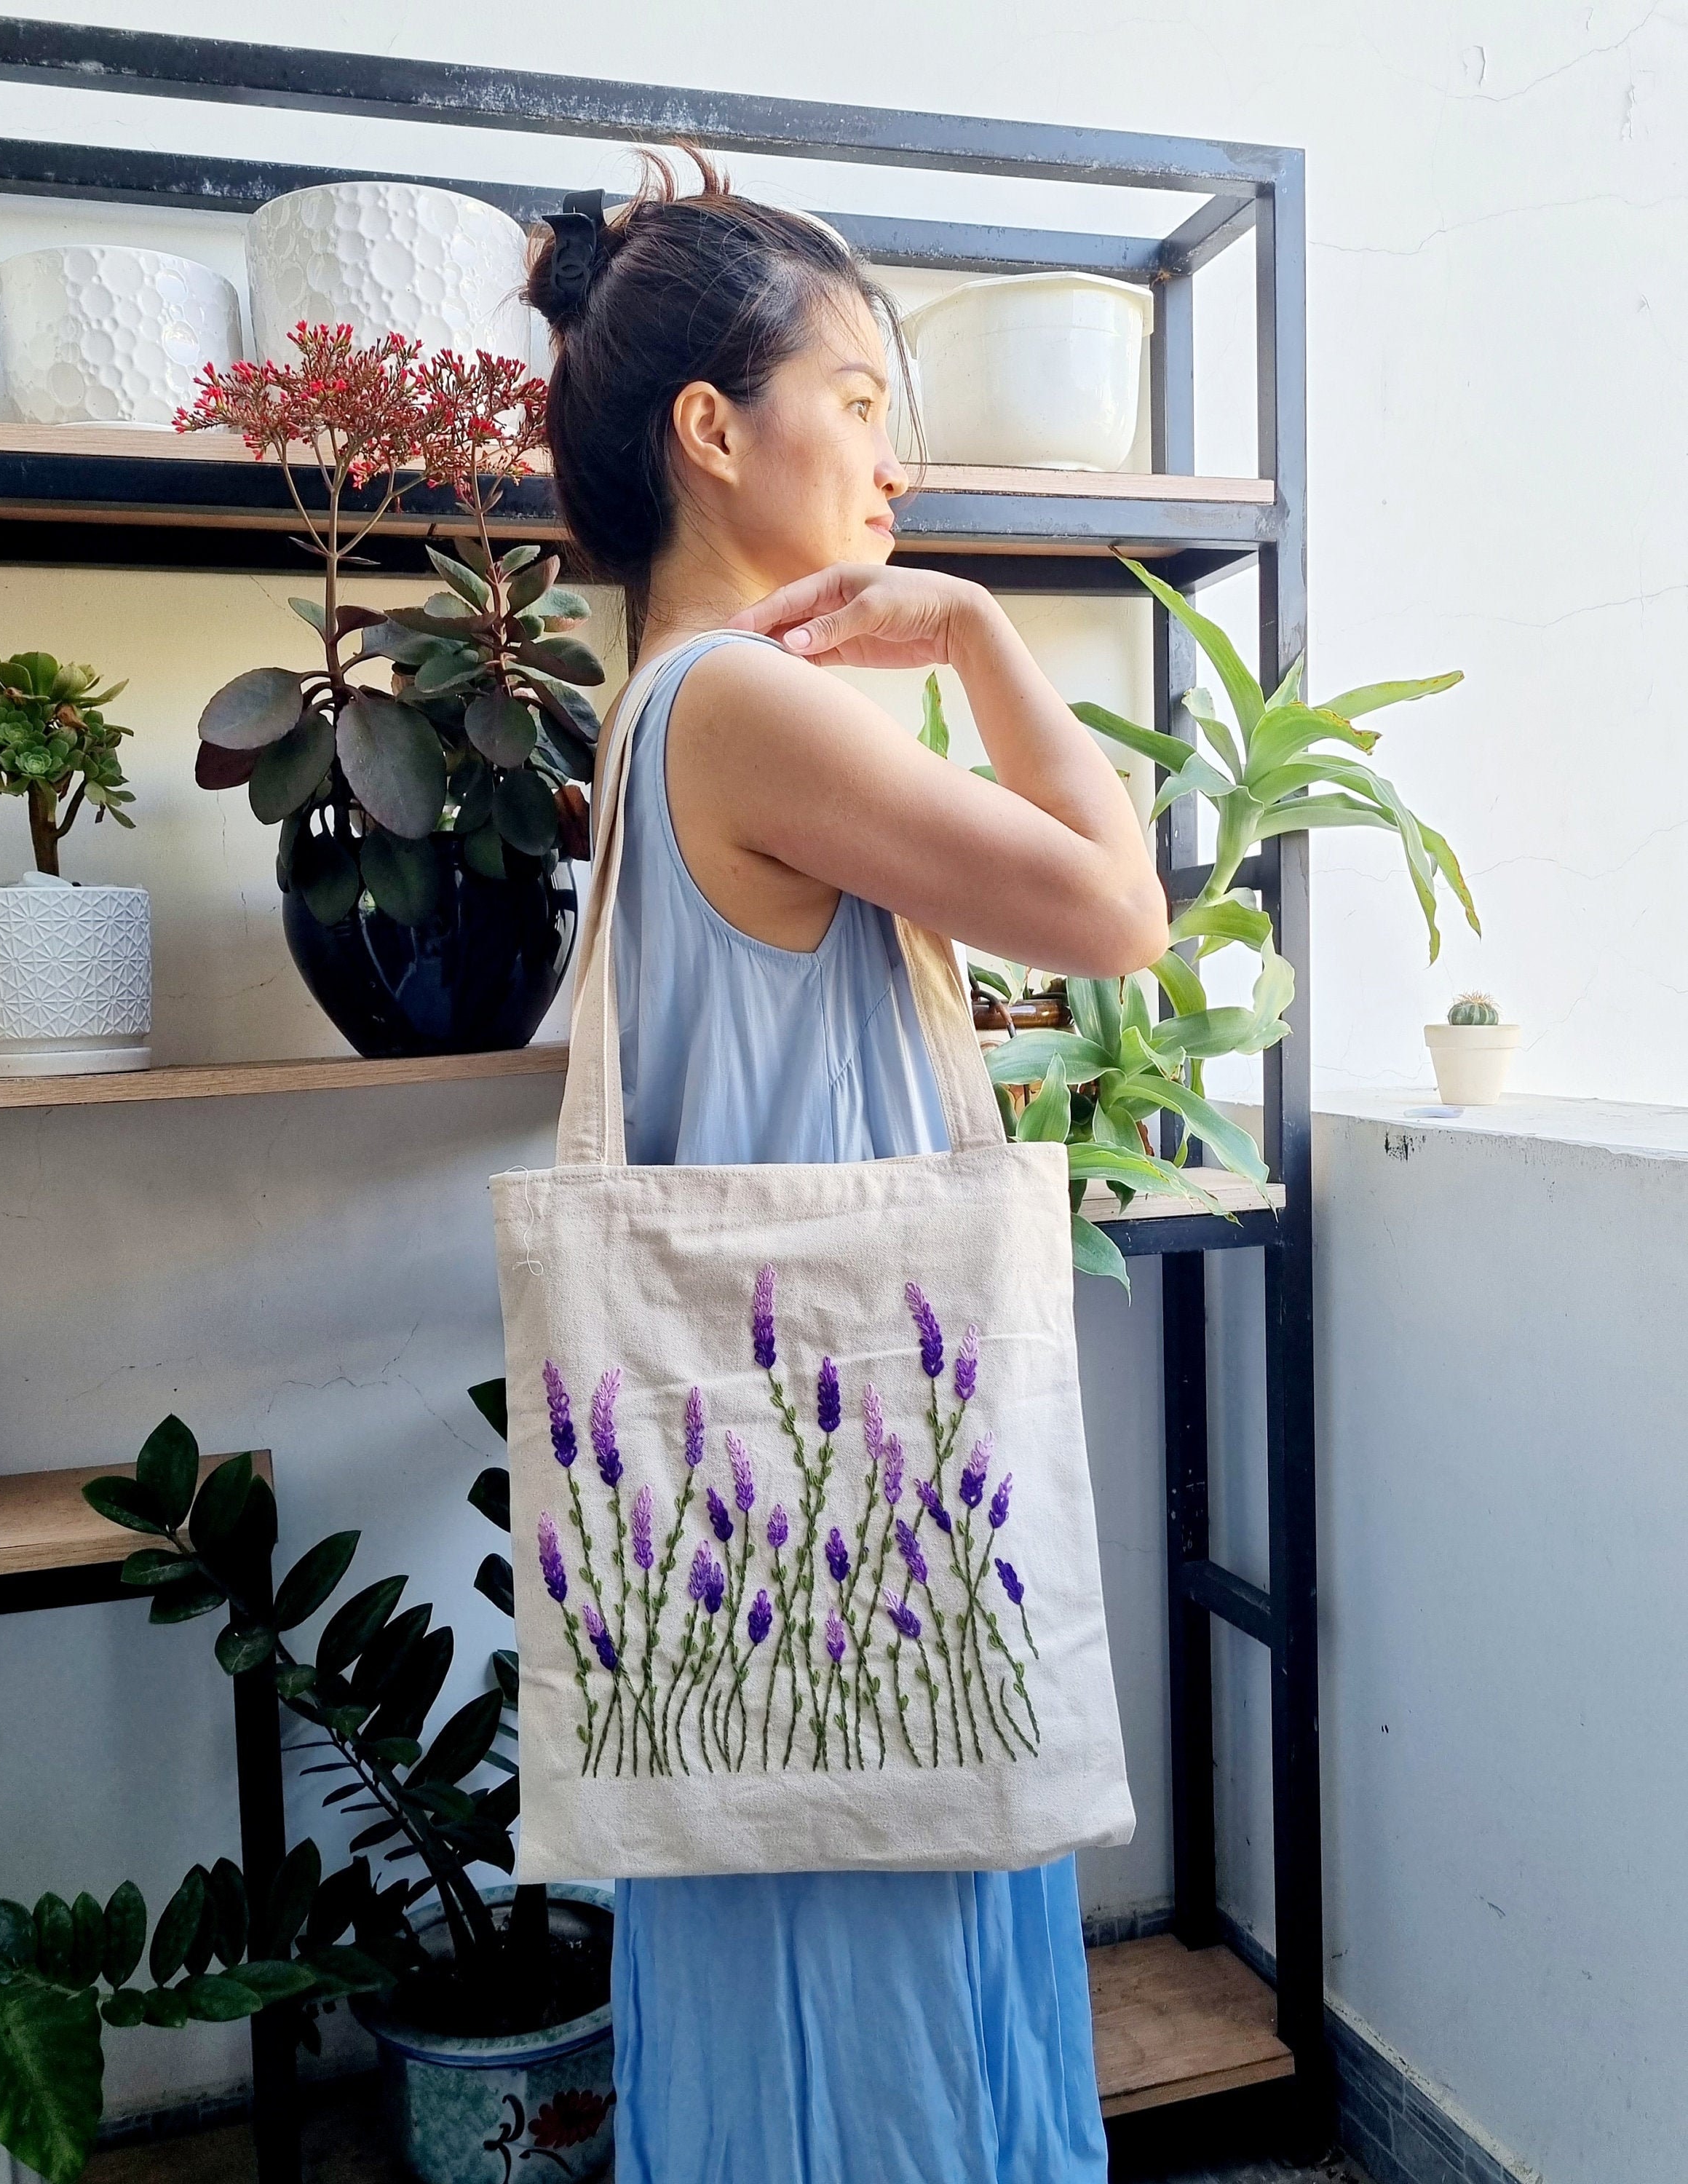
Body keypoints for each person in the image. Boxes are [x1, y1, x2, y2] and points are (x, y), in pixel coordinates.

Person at [524, 148, 1167, 2184]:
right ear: (714, 435)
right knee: (886, 2043)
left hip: (794, 1529)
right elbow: (1114, 913)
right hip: (857, 1523)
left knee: (799, 1982)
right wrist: (973, 636)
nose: (895, 468)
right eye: (863, 404)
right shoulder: (736, 705)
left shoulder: (660, 716)